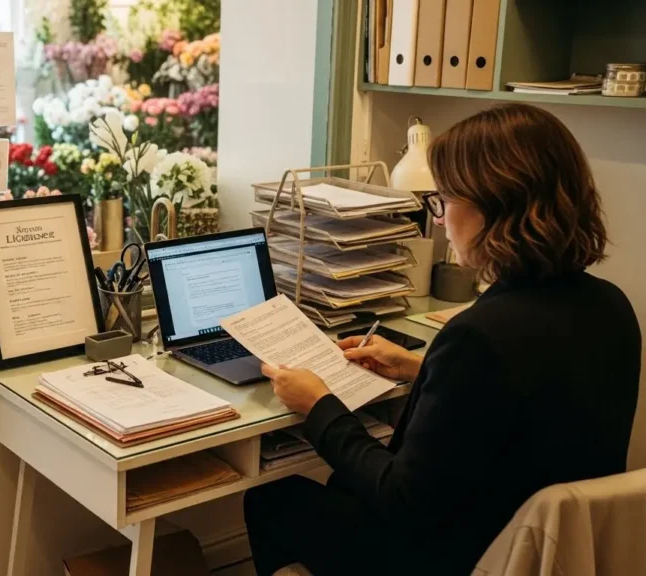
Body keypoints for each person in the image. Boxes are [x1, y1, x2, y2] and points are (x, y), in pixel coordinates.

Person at [243, 103, 641, 576]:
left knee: (274, 499)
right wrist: (421, 368)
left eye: (444, 201)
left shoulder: (478, 337)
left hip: (454, 557)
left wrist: (320, 405)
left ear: (497, 206)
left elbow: (402, 498)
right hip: (542, 550)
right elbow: (533, 399)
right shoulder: (611, 306)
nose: (438, 219)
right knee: (340, 488)